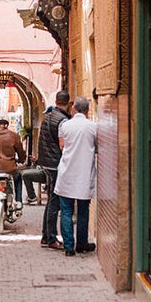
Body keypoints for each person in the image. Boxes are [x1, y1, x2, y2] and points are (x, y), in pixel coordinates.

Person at [56, 96, 97, 257]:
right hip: (84, 174)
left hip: (67, 172)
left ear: (73, 109)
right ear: (87, 110)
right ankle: (81, 244)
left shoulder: (65, 126)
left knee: (66, 211)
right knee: (83, 211)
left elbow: (62, 146)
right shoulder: (93, 127)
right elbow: (97, 147)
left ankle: (68, 247)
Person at [36, 92, 71, 249]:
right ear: (68, 103)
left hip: (47, 163)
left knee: (51, 199)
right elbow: (62, 145)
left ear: (56, 101)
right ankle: (50, 237)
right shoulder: (62, 120)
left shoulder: (48, 117)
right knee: (54, 201)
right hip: (56, 164)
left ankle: (46, 235)